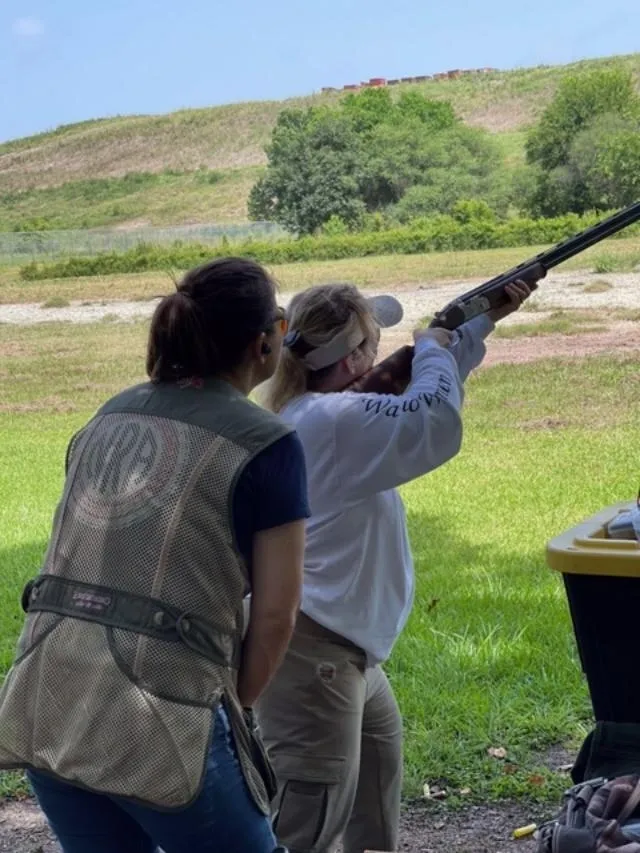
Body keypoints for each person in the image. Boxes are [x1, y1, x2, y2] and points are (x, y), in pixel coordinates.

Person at [0, 257, 310, 853]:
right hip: (167, 723)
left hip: (50, 699)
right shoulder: (268, 444)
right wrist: (232, 710)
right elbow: (277, 614)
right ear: (263, 341)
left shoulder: (108, 414)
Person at [256, 278, 535, 853]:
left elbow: (421, 399)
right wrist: (431, 345)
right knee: (306, 827)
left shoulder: (322, 413)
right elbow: (430, 414)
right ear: (356, 356)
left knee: (374, 803)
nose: (380, 356)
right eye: (371, 344)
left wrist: (480, 322)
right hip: (315, 652)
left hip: (345, 648)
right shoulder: (332, 419)